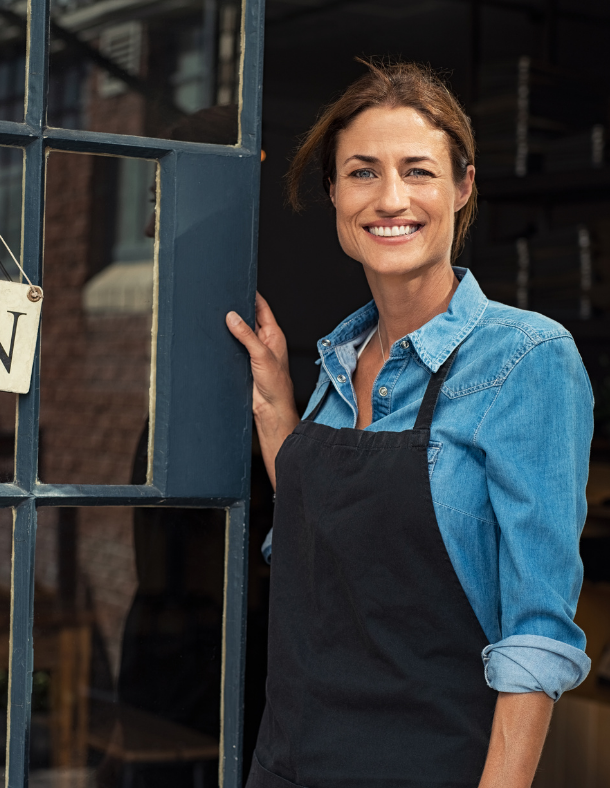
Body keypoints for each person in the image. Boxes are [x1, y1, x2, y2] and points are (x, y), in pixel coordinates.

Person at [226, 59, 593, 788]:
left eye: (418, 171)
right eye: (362, 172)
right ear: (333, 193)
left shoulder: (527, 358)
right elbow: (329, 530)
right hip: (288, 763)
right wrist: (275, 404)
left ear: (462, 188)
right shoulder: (341, 357)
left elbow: (538, 634)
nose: (391, 198)